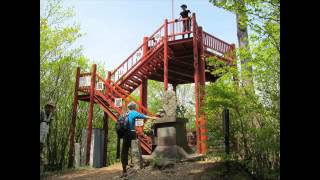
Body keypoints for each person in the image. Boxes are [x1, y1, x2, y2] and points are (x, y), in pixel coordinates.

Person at [120, 102, 158, 177]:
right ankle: (137, 166)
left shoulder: (125, 113)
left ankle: (124, 169)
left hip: (124, 135)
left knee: (124, 151)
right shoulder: (134, 112)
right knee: (135, 150)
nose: (136, 107)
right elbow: (143, 116)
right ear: (134, 107)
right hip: (132, 133)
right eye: (135, 106)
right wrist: (154, 118)